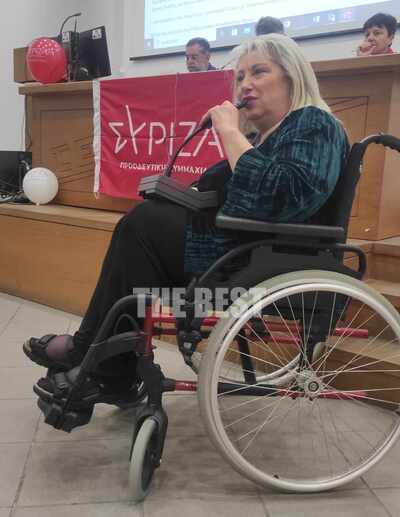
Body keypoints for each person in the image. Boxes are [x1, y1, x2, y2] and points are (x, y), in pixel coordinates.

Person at [24, 33, 349, 404]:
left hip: (266, 261)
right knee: (142, 232)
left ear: (293, 77)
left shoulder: (314, 123)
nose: (245, 84)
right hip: (243, 251)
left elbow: (281, 197)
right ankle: (105, 365)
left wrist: (229, 131)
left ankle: (102, 365)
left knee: (144, 226)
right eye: (240, 76)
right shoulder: (267, 137)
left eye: (259, 72)